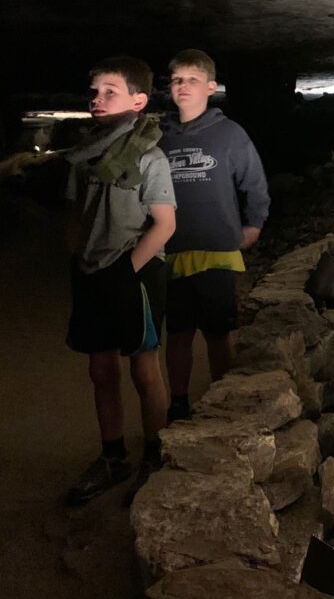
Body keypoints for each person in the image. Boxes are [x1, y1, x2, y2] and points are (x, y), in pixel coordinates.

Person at [63, 56, 176, 506]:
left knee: (144, 369)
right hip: (92, 273)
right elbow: (73, 216)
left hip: (136, 273)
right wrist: (78, 259)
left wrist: (123, 273)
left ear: (138, 100)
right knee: (100, 370)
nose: (97, 99)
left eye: (110, 91)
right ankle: (113, 458)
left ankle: (155, 454)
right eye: (94, 91)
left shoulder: (150, 156)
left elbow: (164, 224)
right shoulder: (82, 157)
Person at [158, 49, 269, 422]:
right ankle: (178, 403)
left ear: (211, 86)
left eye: (191, 79)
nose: (183, 87)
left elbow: (254, 183)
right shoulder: (159, 137)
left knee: (219, 333)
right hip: (171, 251)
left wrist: (253, 225)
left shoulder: (230, 135)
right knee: (178, 333)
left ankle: (223, 398)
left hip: (219, 249)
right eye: (176, 80)